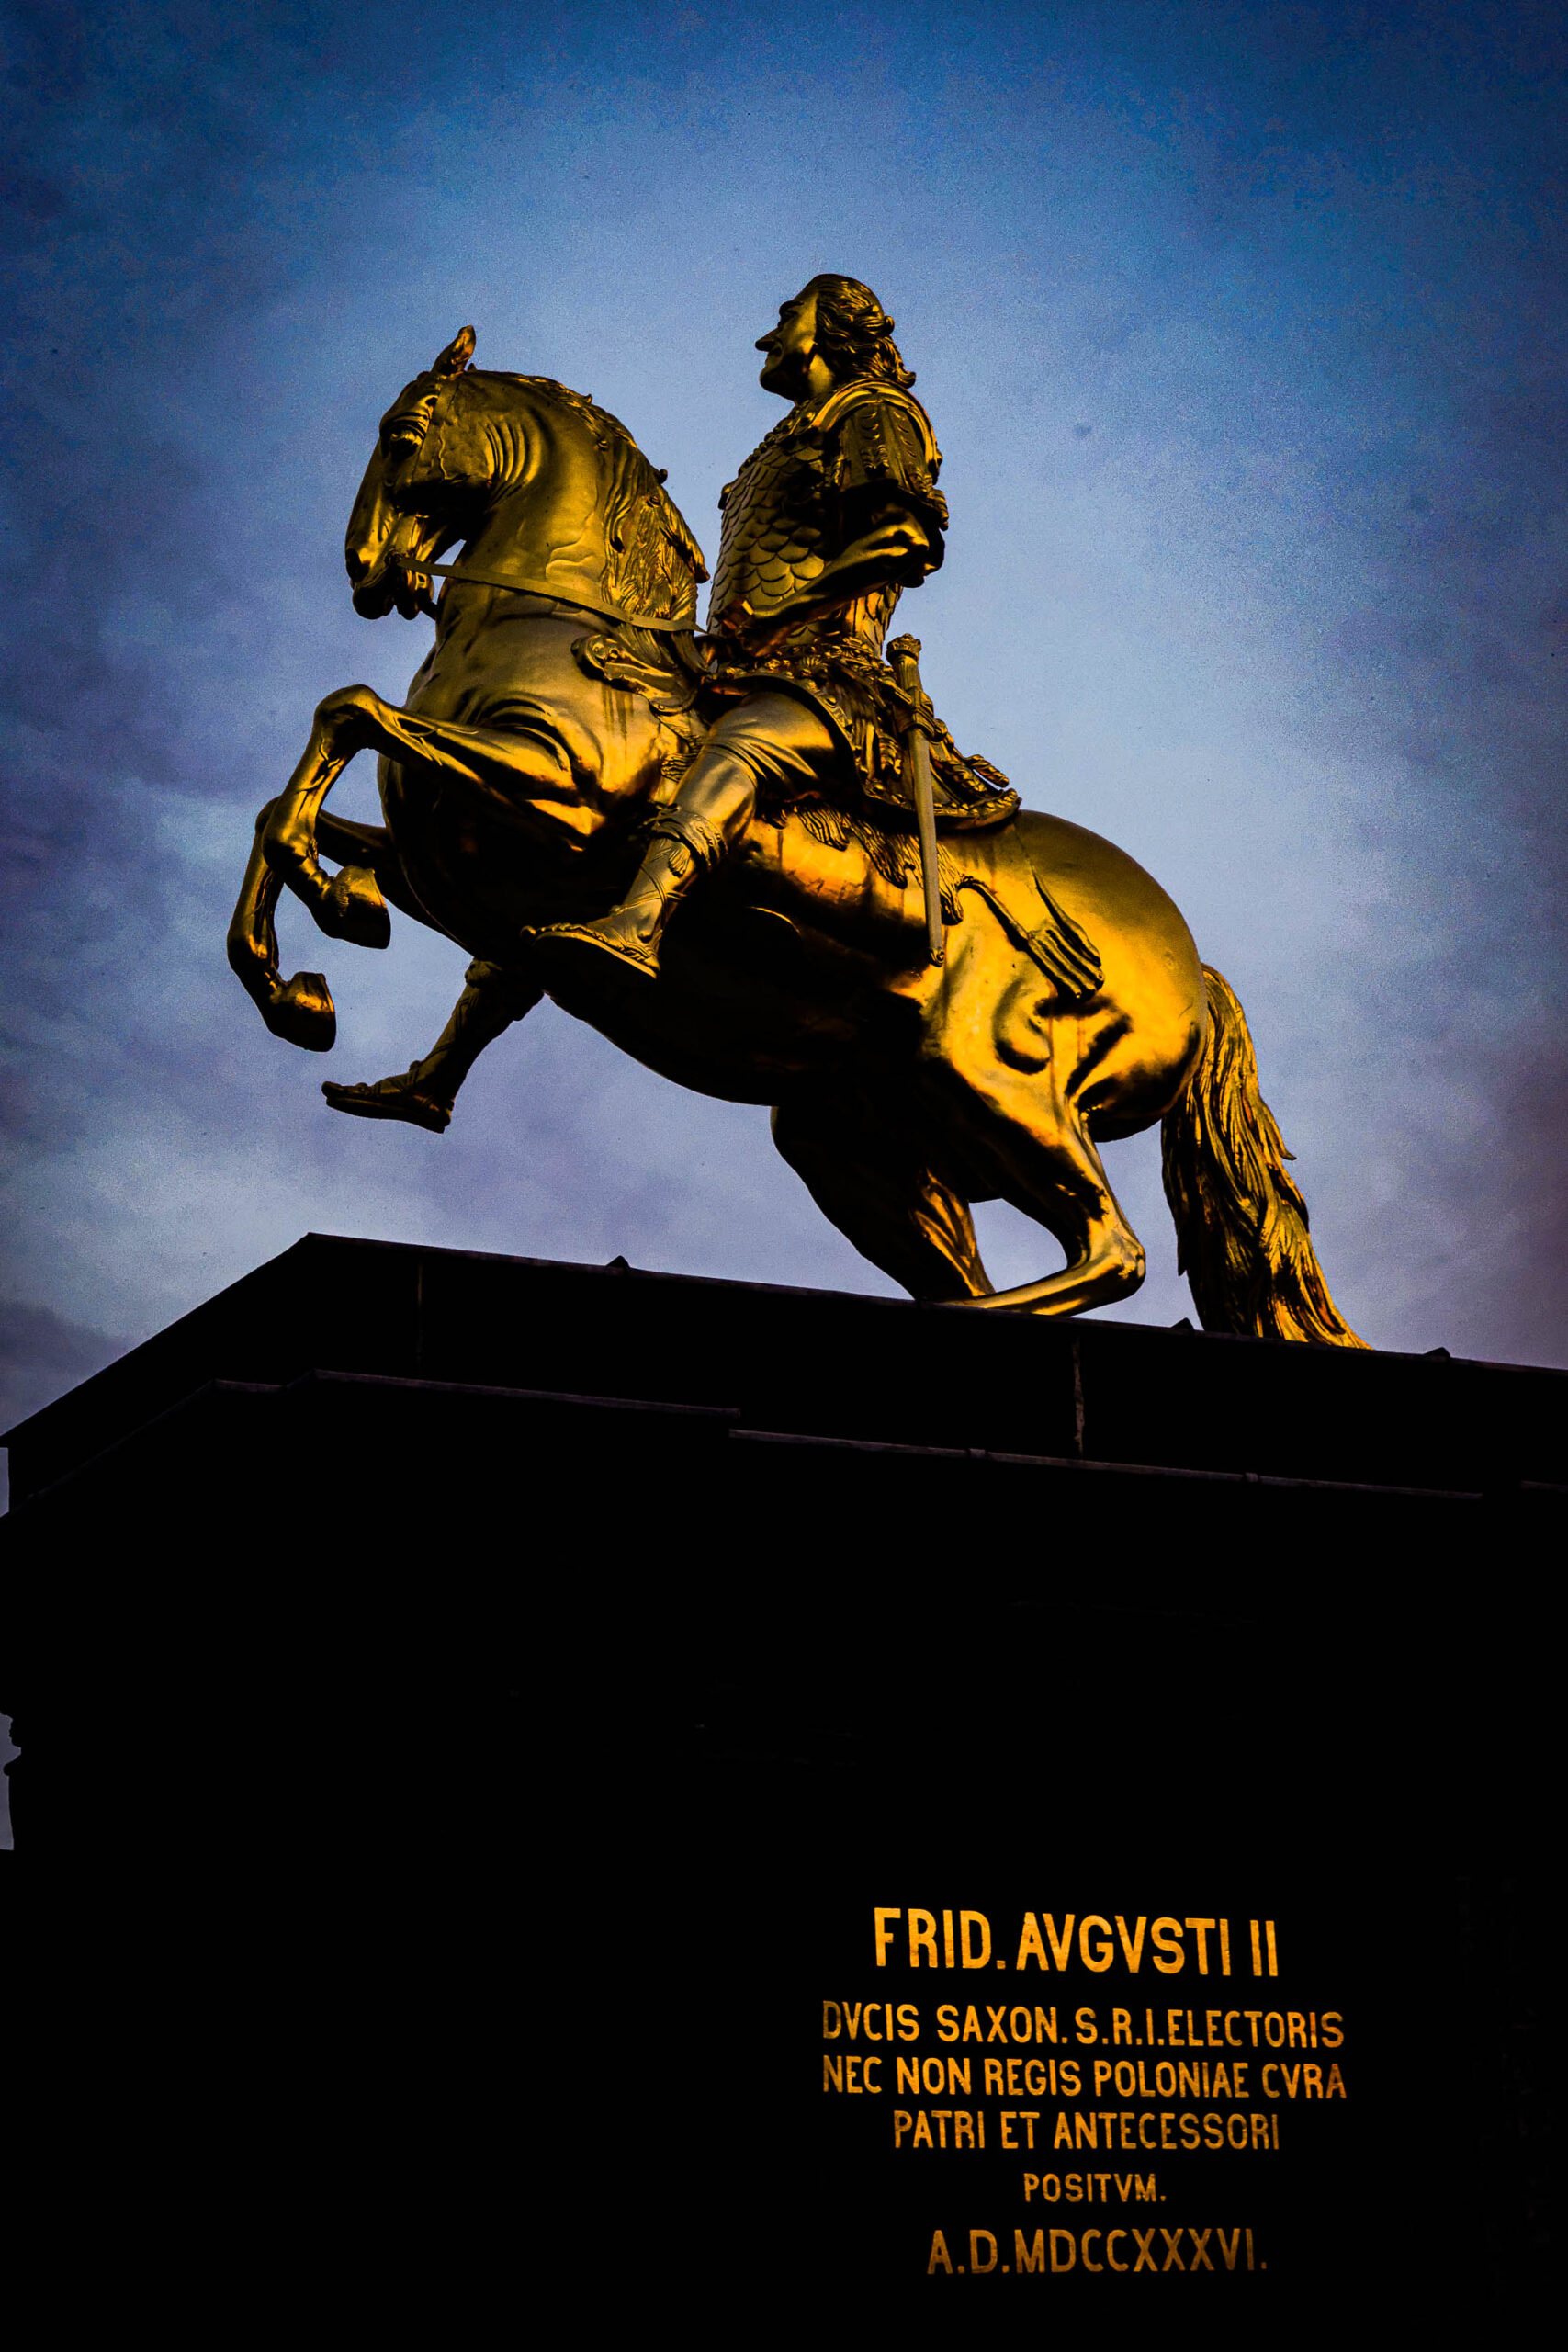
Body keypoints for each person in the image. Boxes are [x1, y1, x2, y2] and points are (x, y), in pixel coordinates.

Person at [534, 274, 1016, 983]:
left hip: (828, 675)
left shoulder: (872, 411)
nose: (768, 335)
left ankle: (639, 925)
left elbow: (903, 538)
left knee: (741, 751)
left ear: (833, 330)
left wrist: (782, 615)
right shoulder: (786, 437)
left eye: (788, 316)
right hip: (737, 666)